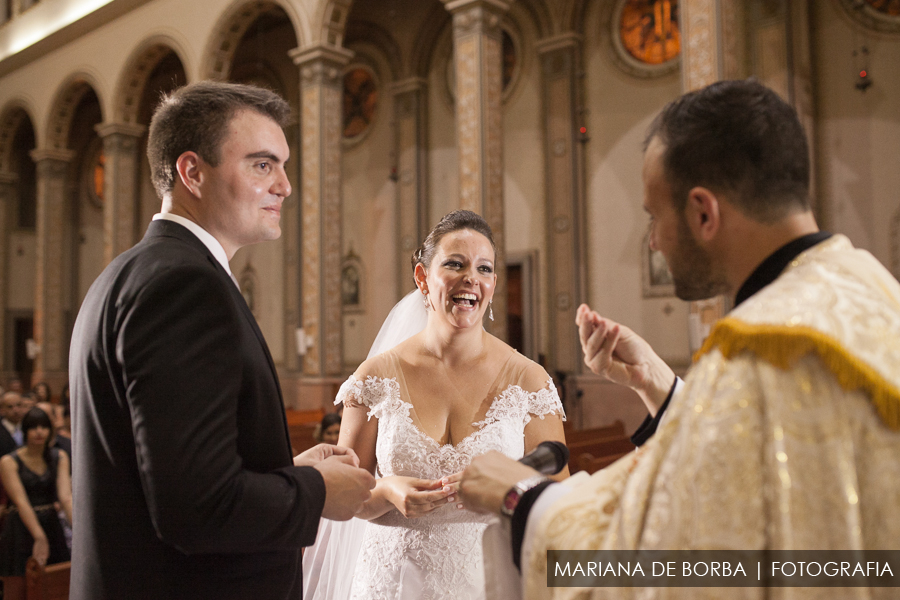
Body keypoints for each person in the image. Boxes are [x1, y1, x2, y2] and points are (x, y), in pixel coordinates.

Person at [460, 79, 900, 599]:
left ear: (703, 213)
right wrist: (664, 390)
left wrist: (520, 498)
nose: (653, 240)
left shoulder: (756, 353)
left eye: (654, 216)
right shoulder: (871, 293)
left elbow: (672, 563)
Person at [68, 81, 374, 600]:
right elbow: (197, 510)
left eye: (282, 165)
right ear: (192, 172)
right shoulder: (182, 286)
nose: (285, 185)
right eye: (262, 164)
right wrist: (317, 491)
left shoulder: (130, 272)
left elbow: (167, 475)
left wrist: (284, 473)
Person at [303, 210, 568, 600]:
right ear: (423, 277)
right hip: (392, 579)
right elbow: (348, 498)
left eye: (484, 268)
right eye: (454, 264)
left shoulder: (528, 381)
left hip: (488, 580)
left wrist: (504, 487)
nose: (470, 279)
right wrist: (388, 490)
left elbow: (558, 502)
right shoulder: (376, 377)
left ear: (493, 284)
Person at [0, 407, 71, 575]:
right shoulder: (9, 461)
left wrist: (80, 529)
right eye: (33, 427)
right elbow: (21, 502)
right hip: (20, 525)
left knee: (57, 581)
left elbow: (66, 498)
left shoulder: (59, 456)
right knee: (19, 584)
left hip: (51, 522)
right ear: (25, 431)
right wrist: (39, 537)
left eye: (44, 427)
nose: (39, 432)